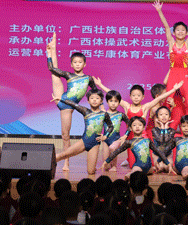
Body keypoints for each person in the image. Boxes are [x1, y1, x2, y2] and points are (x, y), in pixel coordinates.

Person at [95, 79, 184, 167]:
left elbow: (159, 98)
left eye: (138, 95)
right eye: (134, 95)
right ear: (130, 96)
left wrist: (174, 89)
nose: (136, 97)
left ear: (143, 97)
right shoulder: (127, 106)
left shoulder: (145, 107)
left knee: (145, 164)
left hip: (142, 138)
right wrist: (100, 85)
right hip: (130, 138)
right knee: (132, 165)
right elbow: (113, 94)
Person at [153, 0, 188, 130]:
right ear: (174, 33)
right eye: (177, 30)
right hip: (173, 73)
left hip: (184, 73)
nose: (180, 32)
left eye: (183, 30)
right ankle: (164, 127)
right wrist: (159, 11)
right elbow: (166, 27)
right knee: (168, 99)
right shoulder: (171, 43)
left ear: (186, 33)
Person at [46, 32, 97, 171]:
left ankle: (66, 161)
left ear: (84, 64)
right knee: (54, 74)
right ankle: (52, 48)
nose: (78, 64)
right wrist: (48, 55)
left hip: (68, 107)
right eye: (75, 62)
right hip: (61, 99)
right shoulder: (69, 74)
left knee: (66, 134)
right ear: (71, 64)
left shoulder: (88, 78)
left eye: (80, 62)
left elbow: (95, 94)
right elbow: (52, 68)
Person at [53, 89, 114, 175]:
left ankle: (92, 166)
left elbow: (111, 126)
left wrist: (105, 136)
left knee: (91, 172)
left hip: (95, 144)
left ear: (101, 101)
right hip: (84, 141)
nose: (94, 100)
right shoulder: (85, 111)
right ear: (88, 101)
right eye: (92, 98)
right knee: (63, 155)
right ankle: (46, 163)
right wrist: (60, 99)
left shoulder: (104, 114)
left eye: (97, 98)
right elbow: (73, 104)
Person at [102, 116, 173, 180]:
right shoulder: (129, 142)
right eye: (134, 125)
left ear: (143, 127)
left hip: (149, 168)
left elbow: (158, 151)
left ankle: (150, 169)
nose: (137, 127)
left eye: (140, 125)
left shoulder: (147, 140)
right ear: (130, 128)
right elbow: (117, 151)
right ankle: (130, 175)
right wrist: (106, 161)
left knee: (152, 169)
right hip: (138, 166)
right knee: (136, 171)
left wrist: (168, 163)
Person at [101, 90, 130, 171]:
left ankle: (114, 166)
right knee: (106, 166)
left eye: (116, 101)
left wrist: (125, 135)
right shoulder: (104, 114)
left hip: (116, 138)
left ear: (119, 102)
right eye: (111, 101)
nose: (113, 103)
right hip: (105, 140)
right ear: (107, 102)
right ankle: (108, 165)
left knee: (113, 149)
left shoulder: (121, 115)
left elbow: (130, 125)